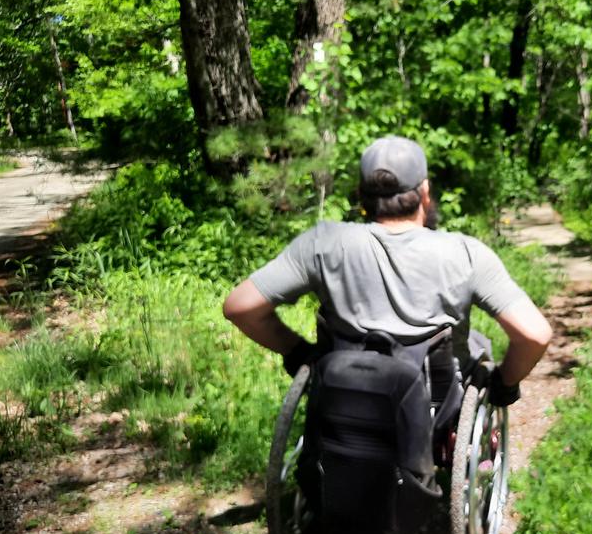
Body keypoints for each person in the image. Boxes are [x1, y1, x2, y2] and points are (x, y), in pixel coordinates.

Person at [222, 135, 552, 409]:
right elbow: (534, 334)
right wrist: (504, 385)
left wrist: (297, 352)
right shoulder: (466, 253)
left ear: (362, 195)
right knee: (480, 348)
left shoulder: (323, 243)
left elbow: (240, 307)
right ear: (424, 192)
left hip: (344, 396)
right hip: (434, 406)